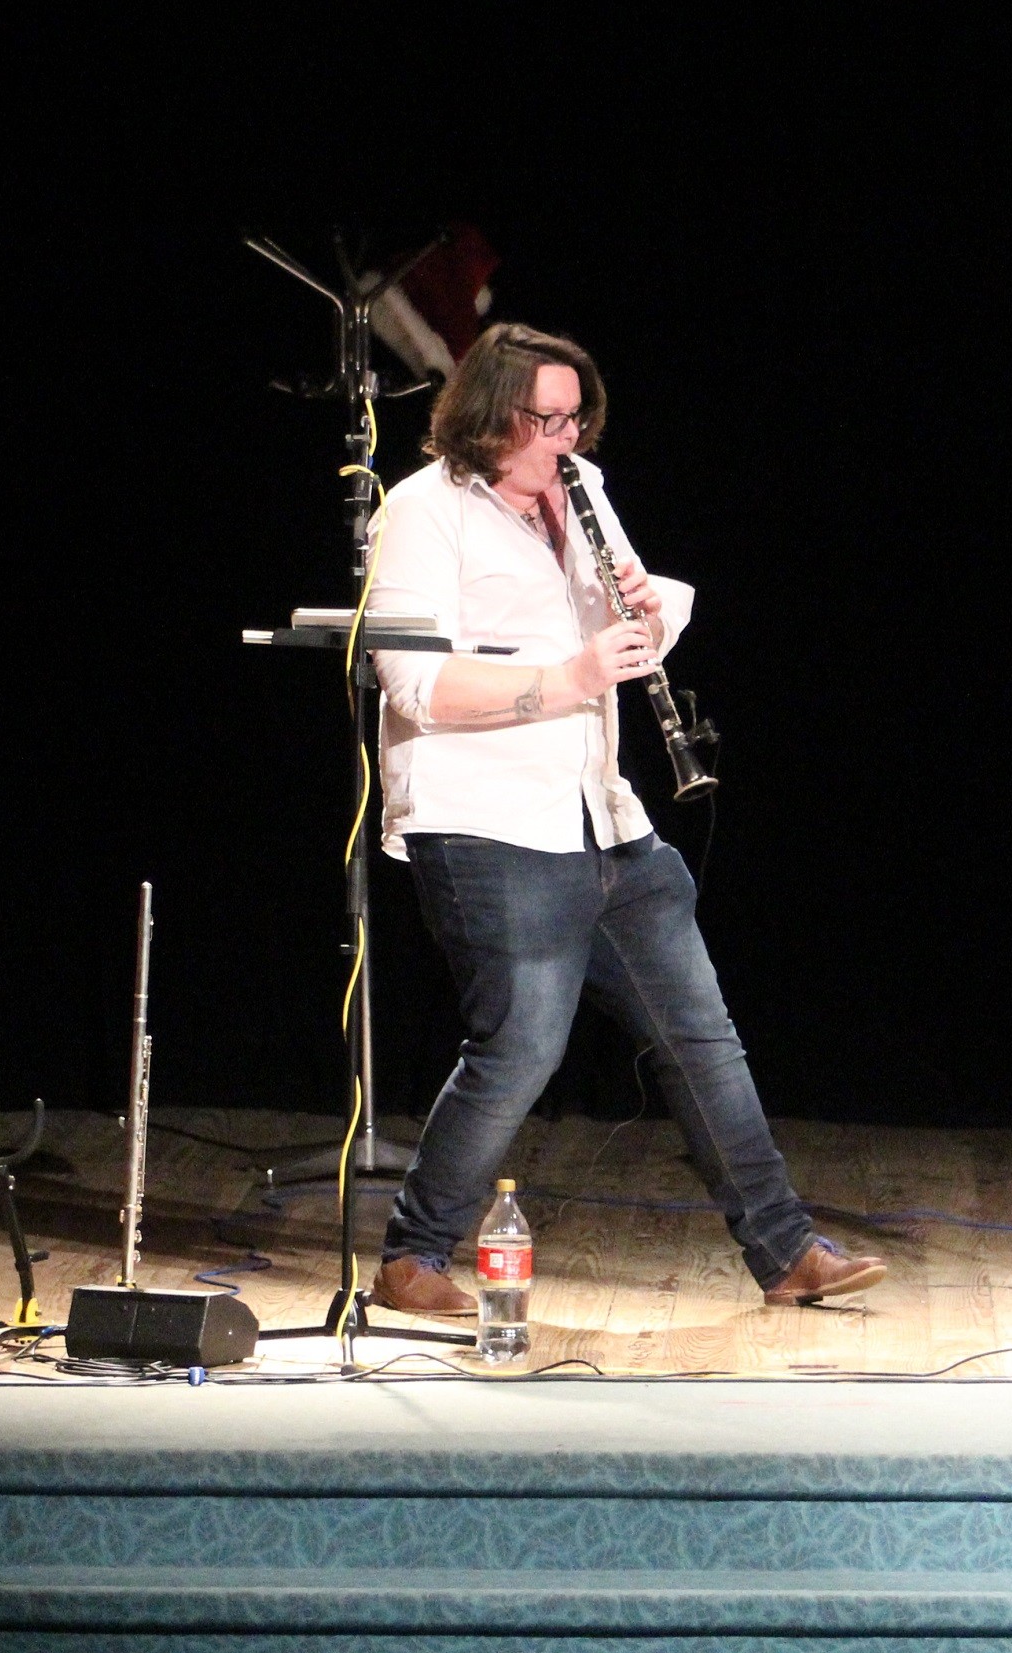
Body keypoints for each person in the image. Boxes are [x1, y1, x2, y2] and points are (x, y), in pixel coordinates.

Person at [361, 321, 886, 1316]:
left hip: (604, 812)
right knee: (519, 1048)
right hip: (488, 821)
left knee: (702, 1036)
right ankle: (412, 1254)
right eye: (544, 418)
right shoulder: (423, 514)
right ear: (488, 415)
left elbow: (629, 625)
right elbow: (414, 684)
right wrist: (568, 674)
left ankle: (783, 1248)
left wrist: (648, 611)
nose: (565, 437)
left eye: (574, 417)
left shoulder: (583, 491)